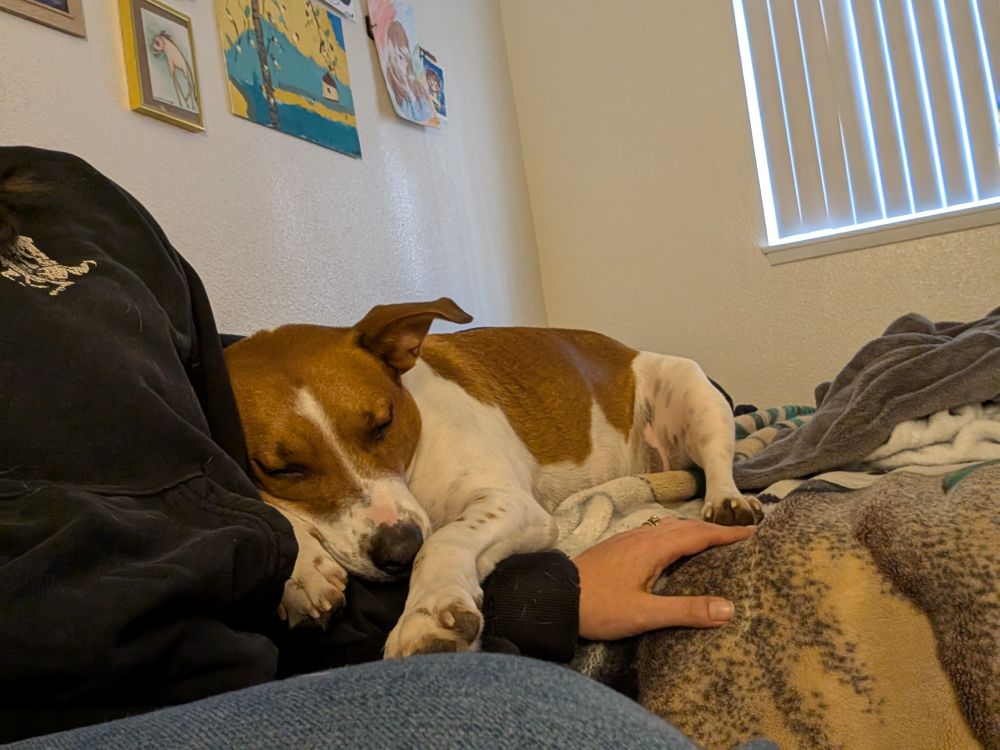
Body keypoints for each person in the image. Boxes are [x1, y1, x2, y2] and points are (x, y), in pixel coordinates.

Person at [0, 147, 760, 748]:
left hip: (635, 403)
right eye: (290, 468)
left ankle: (721, 474)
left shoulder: (63, 197)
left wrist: (447, 558)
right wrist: (288, 525)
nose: (384, 517)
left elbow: (518, 513)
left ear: (404, 359)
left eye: (377, 430)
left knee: (684, 379)